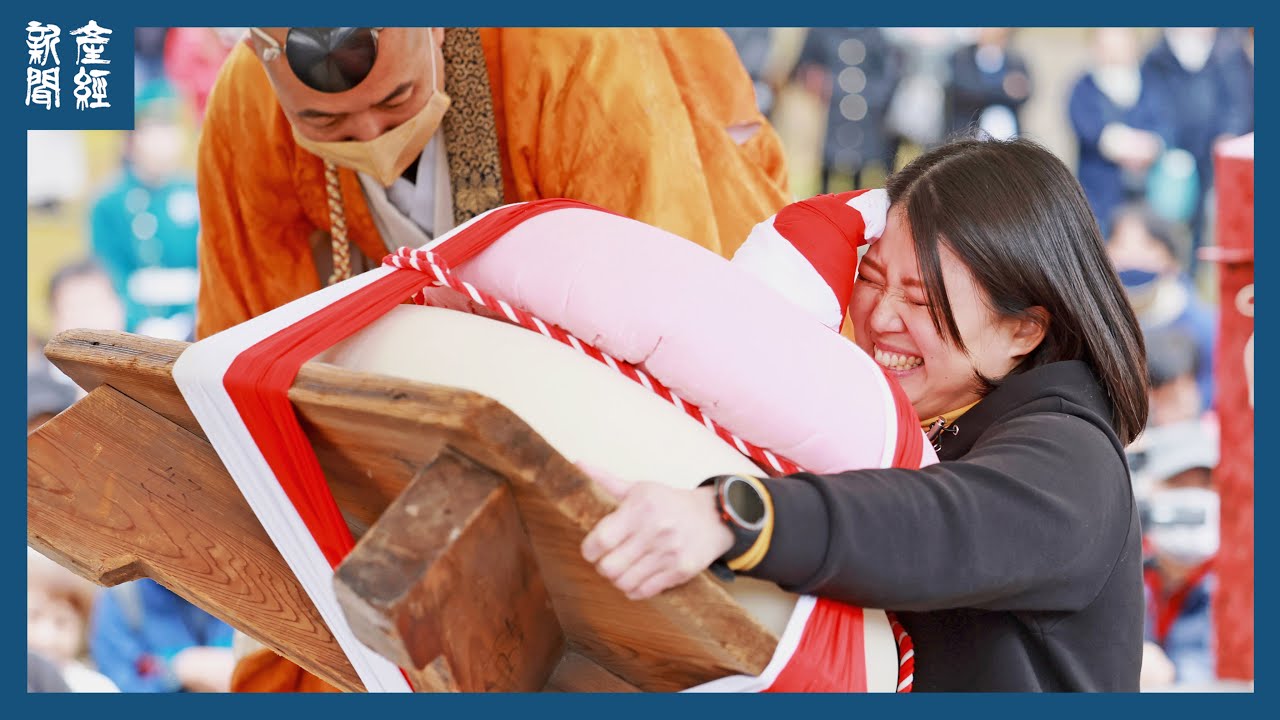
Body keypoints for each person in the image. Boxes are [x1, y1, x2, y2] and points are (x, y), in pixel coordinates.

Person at [581, 137, 1148, 691]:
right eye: (871, 278)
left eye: (922, 299)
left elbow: (935, 525)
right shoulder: (887, 421)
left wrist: (731, 516)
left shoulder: (1074, 459)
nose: (881, 316)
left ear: (1022, 329)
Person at [194, 27, 791, 340]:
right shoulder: (248, 96)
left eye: (396, 98)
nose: (369, 133)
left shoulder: (572, 50)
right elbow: (246, 323)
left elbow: (662, 294)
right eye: (325, 123)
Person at [90, 80, 201, 341]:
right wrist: (139, 321)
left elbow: (213, 266)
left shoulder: (198, 193)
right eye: (153, 129)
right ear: (131, 139)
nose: (163, 139)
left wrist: (191, 318)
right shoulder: (109, 202)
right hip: (132, 328)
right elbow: (109, 273)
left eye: (170, 127)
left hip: (196, 323)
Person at [1068, 28, 1176, 238]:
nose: (1115, 53)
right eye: (1107, 46)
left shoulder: (1151, 84)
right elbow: (1086, 128)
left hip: (1147, 191)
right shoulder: (1085, 86)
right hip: (1100, 191)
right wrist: (1121, 146)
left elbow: (1166, 126)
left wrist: (1150, 146)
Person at [945, 28, 1032, 140]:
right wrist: (1004, 89)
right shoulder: (961, 57)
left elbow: (1024, 94)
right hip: (968, 132)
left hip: (1008, 131)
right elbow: (963, 91)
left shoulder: (1016, 61)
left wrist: (988, 89)